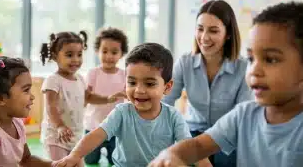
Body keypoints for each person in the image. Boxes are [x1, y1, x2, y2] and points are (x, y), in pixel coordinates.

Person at [149, 1, 303, 167]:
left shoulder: (241, 77)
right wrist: (170, 153)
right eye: (252, 59)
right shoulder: (244, 115)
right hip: (200, 132)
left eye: (270, 59)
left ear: (228, 34)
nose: (254, 70)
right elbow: (197, 145)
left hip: (227, 140)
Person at [55, 43, 212, 167]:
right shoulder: (122, 112)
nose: (139, 90)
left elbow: (190, 147)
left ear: (167, 87)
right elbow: (96, 135)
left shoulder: (173, 116)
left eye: (149, 84)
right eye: (132, 82)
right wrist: (74, 155)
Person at [161, 0, 252, 166]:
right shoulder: (185, 63)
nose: (204, 37)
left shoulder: (244, 67)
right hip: (192, 132)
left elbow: (242, 115)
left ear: (228, 34)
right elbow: (165, 101)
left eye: (213, 31)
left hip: (229, 137)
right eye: (200, 29)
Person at [39, 31, 125, 167]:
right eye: (69, 55)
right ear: (55, 56)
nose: (76, 59)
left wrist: (108, 99)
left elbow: (89, 97)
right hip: (56, 137)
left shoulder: (79, 78)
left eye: (79, 55)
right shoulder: (53, 80)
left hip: (76, 136)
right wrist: (60, 126)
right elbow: (51, 106)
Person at [84, 27, 128, 166]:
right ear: (97, 51)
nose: (109, 56)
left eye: (114, 52)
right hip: (93, 127)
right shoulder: (93, 73)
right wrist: (108, 99)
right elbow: (87, 97)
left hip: (115, 128)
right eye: (104, 51)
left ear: (122, 54)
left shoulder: (124, 75)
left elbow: (130, 96)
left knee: (114, 161)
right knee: (90, 161)